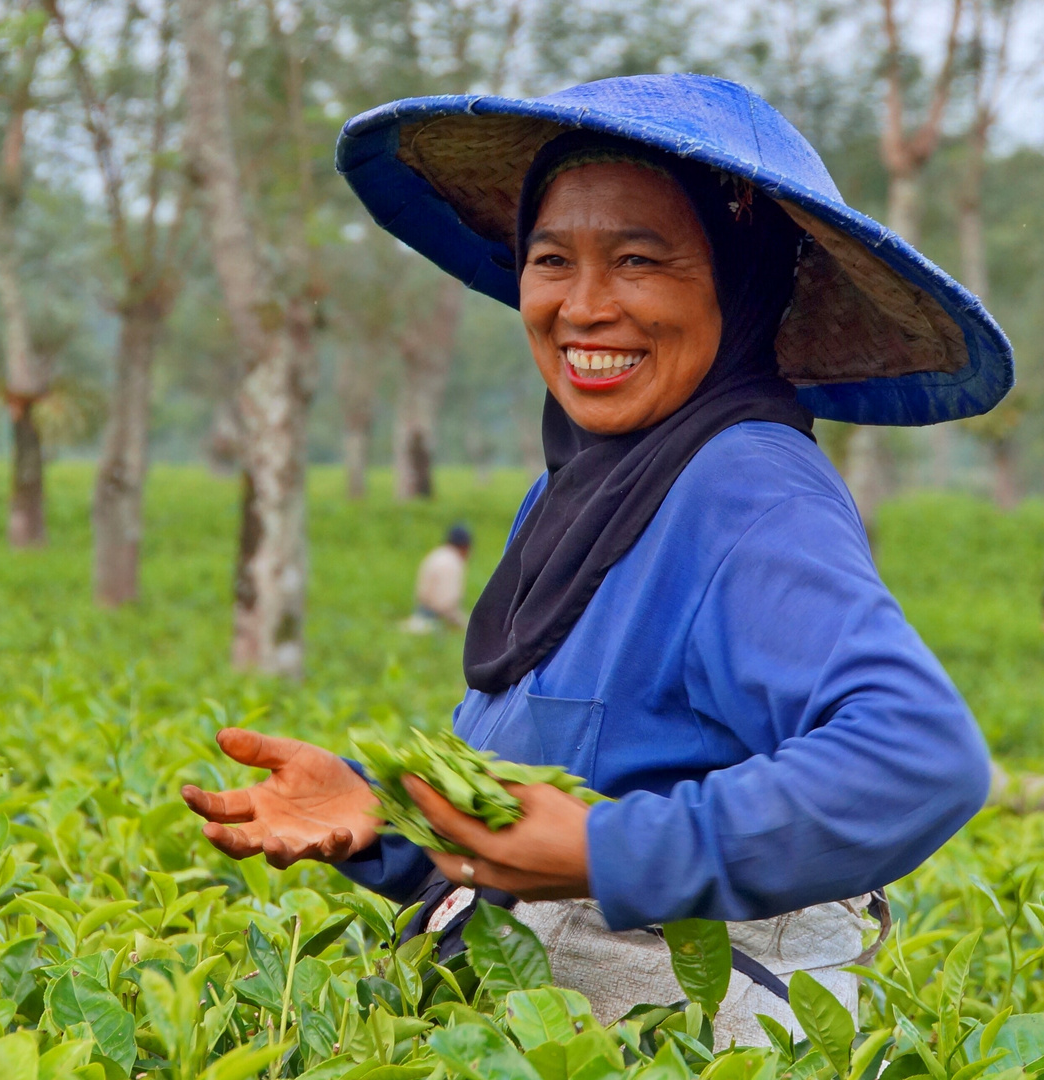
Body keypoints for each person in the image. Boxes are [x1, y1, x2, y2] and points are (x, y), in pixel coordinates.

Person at [181, 74, 1011, 1046]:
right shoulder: (580, 488)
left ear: (737, 281)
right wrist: (390, 815)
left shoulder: (740, 483)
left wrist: (609, 849)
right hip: (553, 1020)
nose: (582, 306)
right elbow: (580, 783)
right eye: (549, 259)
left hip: (686, 1032)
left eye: (637, 260)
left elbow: (919, 758)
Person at [403, 524, 472, 633]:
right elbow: (446, 604)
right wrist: (466, 626)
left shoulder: (437, 554)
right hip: (434, 622)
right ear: (465, 547)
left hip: (419, 612)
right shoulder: (453, 562)